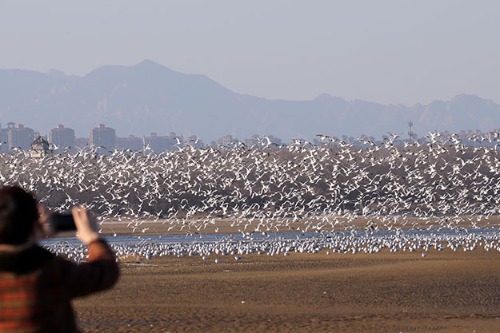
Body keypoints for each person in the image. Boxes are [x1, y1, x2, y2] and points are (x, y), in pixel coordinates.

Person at [0, 185, 119, 332]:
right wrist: (92, 239)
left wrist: (30, 231)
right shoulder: (51, 272)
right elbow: (105, 272)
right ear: (34, 225)